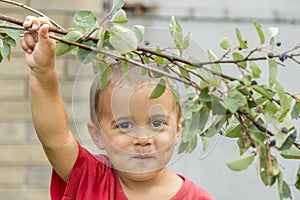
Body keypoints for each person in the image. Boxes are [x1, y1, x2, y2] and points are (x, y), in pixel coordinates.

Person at [20, 16, 215, 200]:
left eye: (157, 123)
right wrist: (42, 71)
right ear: (98, 135)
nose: (142, 139)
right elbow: (55, 140)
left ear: (178, 128)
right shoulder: (90, 178)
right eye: (125, 125)